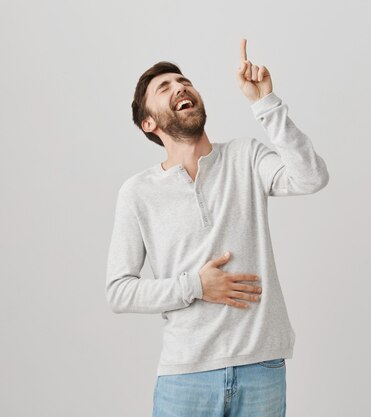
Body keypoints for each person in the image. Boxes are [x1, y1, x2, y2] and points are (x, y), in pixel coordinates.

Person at [105, 38, 329, 417]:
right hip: (186, 377)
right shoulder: (137, 193)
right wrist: (196, 286)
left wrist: (264, 103)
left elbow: (311, 177)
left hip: (262, 367)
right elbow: (119, 291)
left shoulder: (246, 156)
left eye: (184, 81)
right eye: (165, 87)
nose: (180, 87)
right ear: (149, 122)